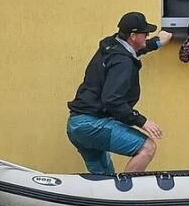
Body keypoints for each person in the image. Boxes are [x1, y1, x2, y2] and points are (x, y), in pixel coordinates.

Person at [67, 12, 172, 174]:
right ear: (133, 35)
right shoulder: (122, 63)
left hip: (77, 124)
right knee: (147, 147)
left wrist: (156, 42)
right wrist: (142, 121)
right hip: (92, 125)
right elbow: (112, 100)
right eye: (145, 33)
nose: (148, 35)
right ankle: (126, 194)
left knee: (105, 179)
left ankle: (108, 197)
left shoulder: (111, 45)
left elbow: (131, 51)